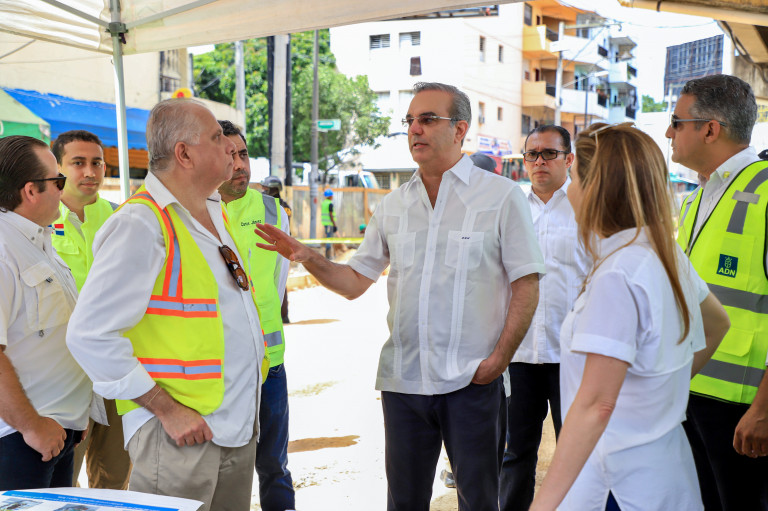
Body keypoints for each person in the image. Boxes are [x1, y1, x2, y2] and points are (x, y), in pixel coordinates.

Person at [255, 81, 544, 510]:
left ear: (460, 129)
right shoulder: (393, 206)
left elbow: (527, 283)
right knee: (404, 503)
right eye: (410, 120)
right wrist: (309, 257)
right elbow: (355, 281)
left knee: (480, 501)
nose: (415, 129)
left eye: (428, 119)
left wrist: (498, 361)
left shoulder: (500, 197)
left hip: (472, 381)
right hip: (404, 383)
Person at [66, 98, 266, 511]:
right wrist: (166, 409)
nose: (230, 147)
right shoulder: (141, 223)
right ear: (184, 154)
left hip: (232, 425)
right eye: (217, 138)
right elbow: (89, 335)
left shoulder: (212, 211)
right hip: (178, 433)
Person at [529, 122, 730, 511]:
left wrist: (542, 505)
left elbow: (595, 407)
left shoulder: (618, 274)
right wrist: (659, 391)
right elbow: (717, 323)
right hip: (662, 470)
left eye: (575, 177)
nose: (570, 188)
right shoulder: (660, 252)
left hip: (616, 483)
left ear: (596, 187)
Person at [670, 74, 768, 510]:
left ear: (710, 129)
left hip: (744, 408)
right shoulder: (698, 197)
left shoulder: (765, 190)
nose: (668, 132)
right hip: (692, 391)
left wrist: (764, 409)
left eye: (677, 122)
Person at [499, 125, 590, 511]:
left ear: (569, 159)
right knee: (515, 453)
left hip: (572, 355)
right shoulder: (510, 208)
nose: (539, 161)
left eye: (549, 153)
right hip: (518, 355)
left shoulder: (587, 209)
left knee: (576, 453)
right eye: (532, 154)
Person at [0, 135, 95, 490]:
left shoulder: (36, 239)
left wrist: (75, 413)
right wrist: (31, 425)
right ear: (30, 191)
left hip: (55, 429)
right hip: (21, 437)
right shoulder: (4, 249)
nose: (63, 189)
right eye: (58, 180)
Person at [217, 120, 294, 511]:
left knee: (274, 466)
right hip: (217, 370)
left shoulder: (272, 211)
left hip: (269, 364)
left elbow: (278, 284)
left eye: (243, 154)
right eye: (229, 155)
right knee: (223, 470)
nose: (240, 164)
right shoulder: (191, 211)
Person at [49, 130, 130, 490]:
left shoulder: (121, 218)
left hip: (116, 364)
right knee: (62, 475)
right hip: (63, 370)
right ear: (57, 168)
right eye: (78, 163)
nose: (89, 172)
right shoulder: (38, 220)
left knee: (114, 475)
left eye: (96, 163)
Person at [261, 175, 292, 323]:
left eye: (265, 188)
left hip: (274, 247)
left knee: (277, 282)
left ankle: (281, 315)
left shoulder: (270, 205)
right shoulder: (284, 206)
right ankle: (283, 316)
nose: (263, 190)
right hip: (278, 246)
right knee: (280, 282)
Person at [321, 188, 336, 258]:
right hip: (330, 224)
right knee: (329, 239)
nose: (332, 197)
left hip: (325, 224)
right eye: (332, 195)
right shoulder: (329, 204)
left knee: (328, 238)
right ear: (330, 196)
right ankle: (328, 256)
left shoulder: (324, 203)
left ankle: (328, 256)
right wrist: (334, 225)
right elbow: (331, 215)